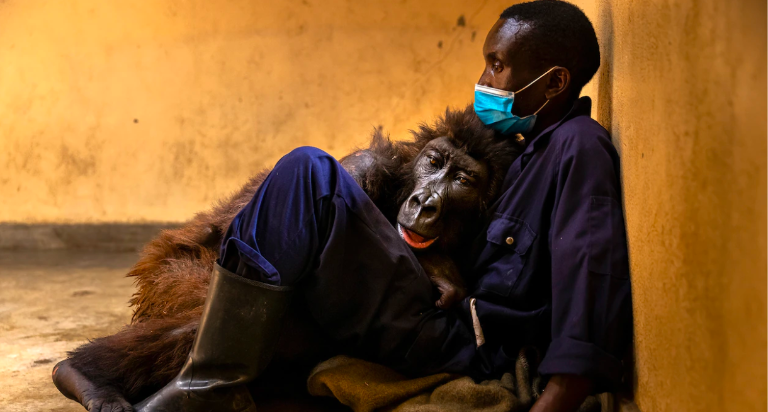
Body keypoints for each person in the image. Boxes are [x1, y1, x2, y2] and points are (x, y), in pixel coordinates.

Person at [132, 1, 632, 411]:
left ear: (554, 82)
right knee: (314, 182)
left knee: (310, 173)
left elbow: (589, 272)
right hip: (435, 310)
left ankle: (210, 386)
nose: (484, 79)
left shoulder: (578, 147)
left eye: (497, 65)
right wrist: (437, 265)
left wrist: (562, 393)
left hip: (458, 342)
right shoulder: (524, 150)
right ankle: (212, 377)